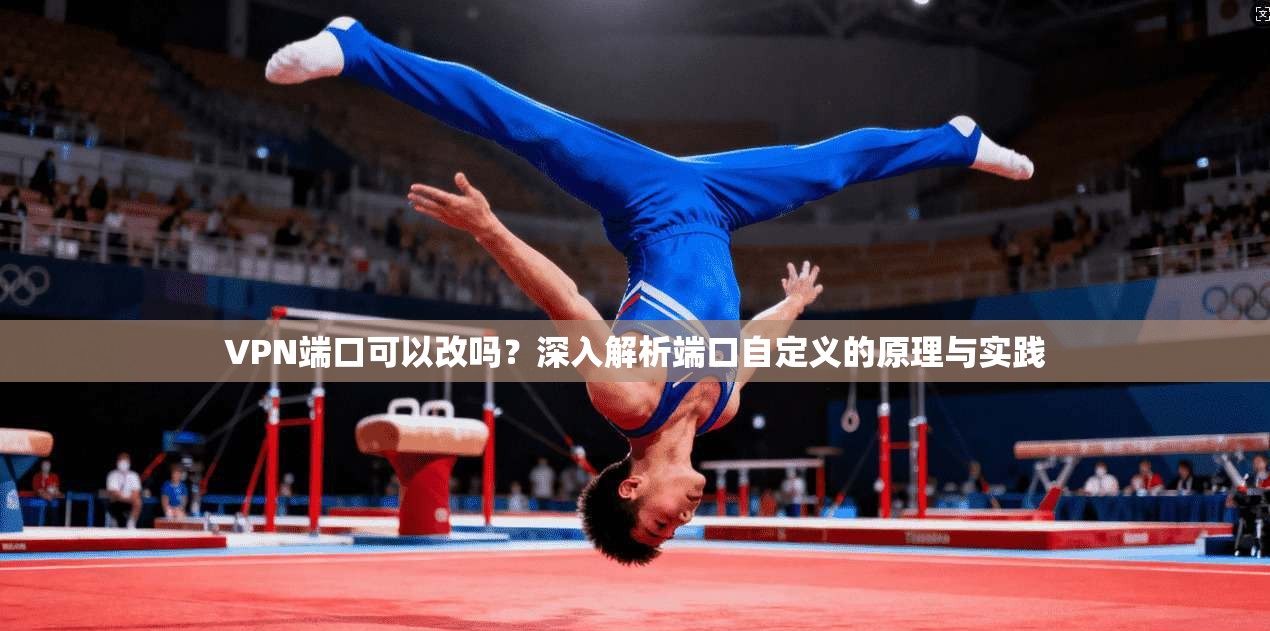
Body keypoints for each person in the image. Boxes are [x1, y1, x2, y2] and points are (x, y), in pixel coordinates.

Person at [266, 17, 1033, 564]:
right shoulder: (719, 407)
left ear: (632, 486)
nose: (681, 521)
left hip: (650, 202)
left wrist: (490, 229)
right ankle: (957, 139)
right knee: (832, 165)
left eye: (660, 525)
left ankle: (357, 47)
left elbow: (567, 301)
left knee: (526, 126)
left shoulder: (627, 397)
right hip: (720, 204)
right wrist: (793, 306)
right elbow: (750, 345)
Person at [105, 452, 142, 529]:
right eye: (121, 460)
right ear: (117, 462)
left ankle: (131, 523)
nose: (123, 462)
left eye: (125, 460)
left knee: (138, 501)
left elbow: (136, 493)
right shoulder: (112, 475)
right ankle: (114, 521)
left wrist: (128, 498)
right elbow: (113, 492)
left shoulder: (134, 475)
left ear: (129, 462)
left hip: (130, 501)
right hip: (116, 502)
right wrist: (124, 498)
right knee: (112, 498)